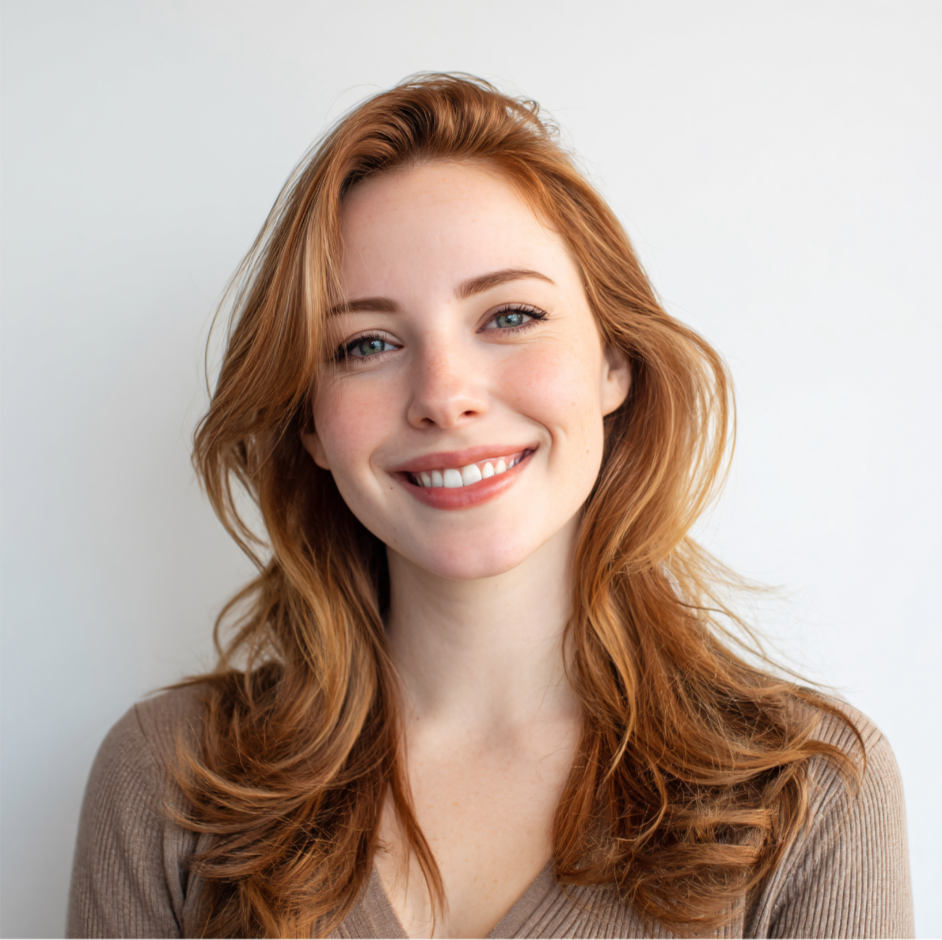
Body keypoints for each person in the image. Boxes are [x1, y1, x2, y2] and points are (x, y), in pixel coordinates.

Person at [67, 74, 914, 940]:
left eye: (509, 315)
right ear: (309, 424)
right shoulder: (168, 777)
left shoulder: (810, 795)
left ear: (613, 364)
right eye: (367, 343)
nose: (445, 395)